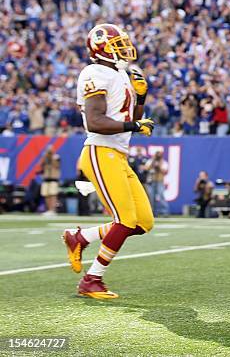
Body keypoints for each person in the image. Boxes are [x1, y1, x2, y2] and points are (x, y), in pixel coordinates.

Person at [62, 23, 155, 299]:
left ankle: (80, 238)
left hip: (118, 155)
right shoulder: (94, 72)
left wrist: (141, 98)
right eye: (117, 45)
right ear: (101, 48)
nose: (124, 49)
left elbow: (129, 116)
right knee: (125, 220)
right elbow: (95, 122)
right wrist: (135, 126)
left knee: (142, 221)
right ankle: (92, 279)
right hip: (100, 151)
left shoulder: (120, 74)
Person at [144, 151, 169, 216]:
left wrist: (159, 166)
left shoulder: (164, 162)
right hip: (151, 181)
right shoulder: (150, 161)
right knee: (151, 197)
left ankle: (164, 212)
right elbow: (146, 168)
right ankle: (152, 212)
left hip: (159, 181)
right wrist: (153, 161)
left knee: (161, 196)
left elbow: (165, 172)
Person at [40, 146, 61, 216]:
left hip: (53, 178)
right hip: (46, 178)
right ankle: (48, 210)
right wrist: (46, 157)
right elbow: (41, 165)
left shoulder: (56, 157)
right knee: (46, 195)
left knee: (53, 195)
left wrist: (51, 157)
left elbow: (56, 165)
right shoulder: (45, 158)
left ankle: (53, 210)